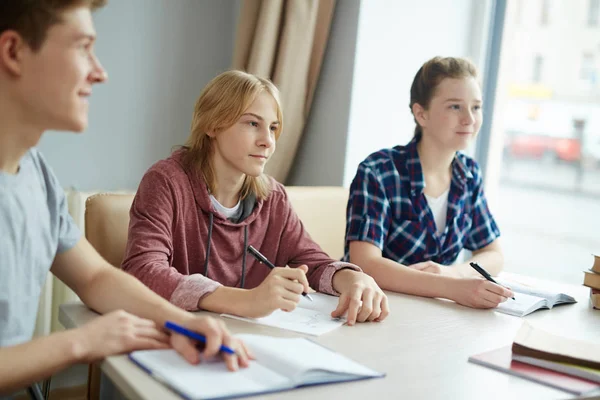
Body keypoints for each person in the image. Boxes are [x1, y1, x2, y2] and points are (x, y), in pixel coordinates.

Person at [0, 1, 249, 395]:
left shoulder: (35, 173)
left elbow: (95, 277)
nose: (100, 72)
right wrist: (81, 341)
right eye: (83, 47)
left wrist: (179, 322)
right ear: (13, 51)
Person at [122, 70, 389, 325]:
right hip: (181, 340)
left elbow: (314, 263)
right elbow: (143, 271)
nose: (268, 141)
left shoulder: (273, 197)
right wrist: (245, 300)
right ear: (212, 125)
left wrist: (353, 280)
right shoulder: (166, 182)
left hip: (248, 342)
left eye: (273, 128)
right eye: (252, 123)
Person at [344, 56, 514, 309]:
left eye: (476, 107)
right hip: (374, 308)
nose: (469, 119)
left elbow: (494, 255)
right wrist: (450, 287)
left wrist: (453, 273)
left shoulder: (468, 175)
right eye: (455, 107)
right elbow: (366, 264)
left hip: (435, 313)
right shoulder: (378, 171)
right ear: (421, 114)